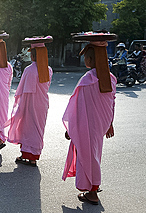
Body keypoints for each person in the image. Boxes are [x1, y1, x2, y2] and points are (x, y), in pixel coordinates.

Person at [62, 39, 116, 205]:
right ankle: (92, 187)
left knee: (88, 156)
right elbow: (111, 104)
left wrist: (71, 128)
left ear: (91, 60)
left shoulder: (87, 80)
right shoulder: (111, 78)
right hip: (101, 124)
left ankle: (92, 192)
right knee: (94, 154)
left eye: (86, 57)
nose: (84, 60)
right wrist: (110, 123)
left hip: (86, 126)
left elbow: (76, 106)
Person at [6, 37, 53, 166]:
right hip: (42, 104)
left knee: (27, 129)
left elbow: (22, 90)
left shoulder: (29, 70)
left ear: (33, 55)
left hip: (30, 104)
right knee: (38, 129)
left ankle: (25, 154)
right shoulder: (48, 69)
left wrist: (19, 107)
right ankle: (33, 157)